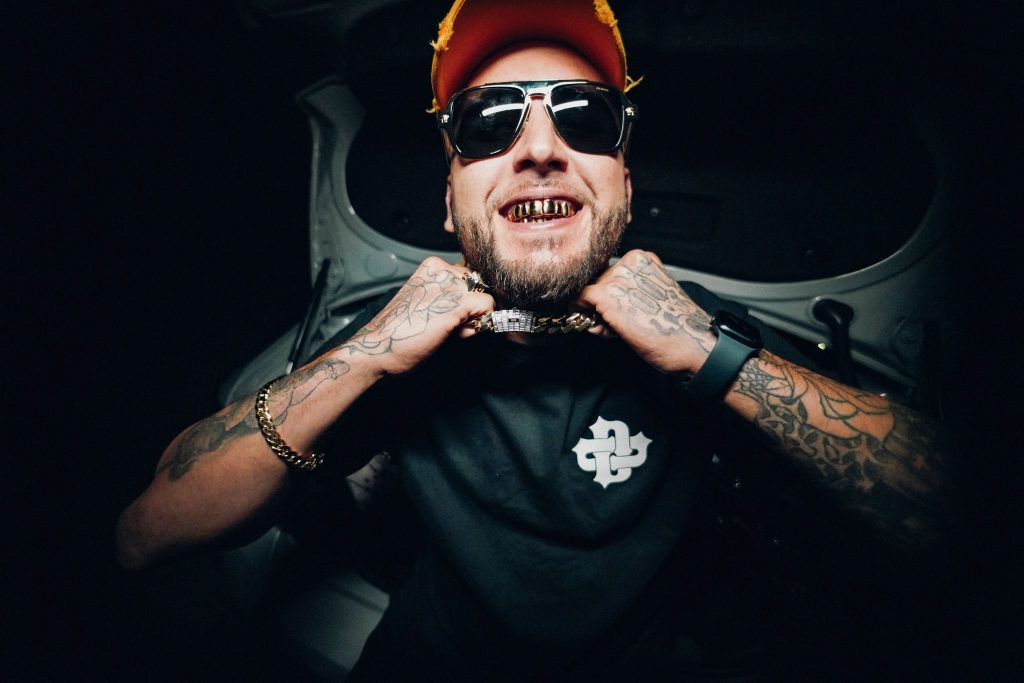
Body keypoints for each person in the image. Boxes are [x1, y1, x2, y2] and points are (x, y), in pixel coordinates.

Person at [117, 0, 957, 679]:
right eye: (489, 123)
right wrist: (369, 352)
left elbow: (953, 523)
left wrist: (708, 353)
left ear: (624, 189)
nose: (542, 149)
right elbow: (149, 532)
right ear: (451, 202)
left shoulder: (700, 335)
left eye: (585, 117)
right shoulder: (402, 354)